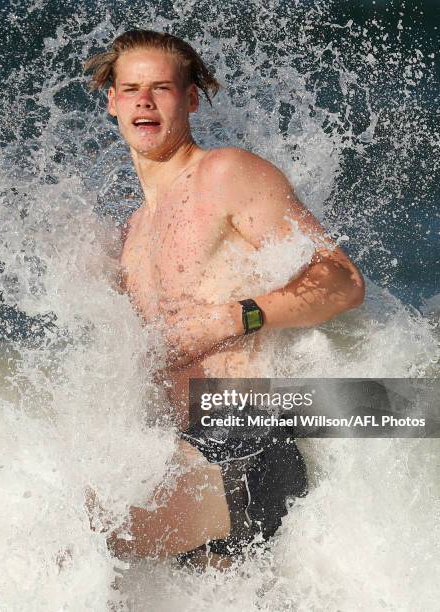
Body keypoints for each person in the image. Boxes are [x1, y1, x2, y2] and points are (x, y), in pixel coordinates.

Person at [83, 30, 365, 568]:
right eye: (132, 88)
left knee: (83, 543)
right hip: (183, 451)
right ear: (113, 102)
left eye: (161, 88)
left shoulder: (226, 174)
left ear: (189, 99)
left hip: (244, 432)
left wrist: (232, 317)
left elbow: (342, 282)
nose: (145, 100)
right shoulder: (132, 235)